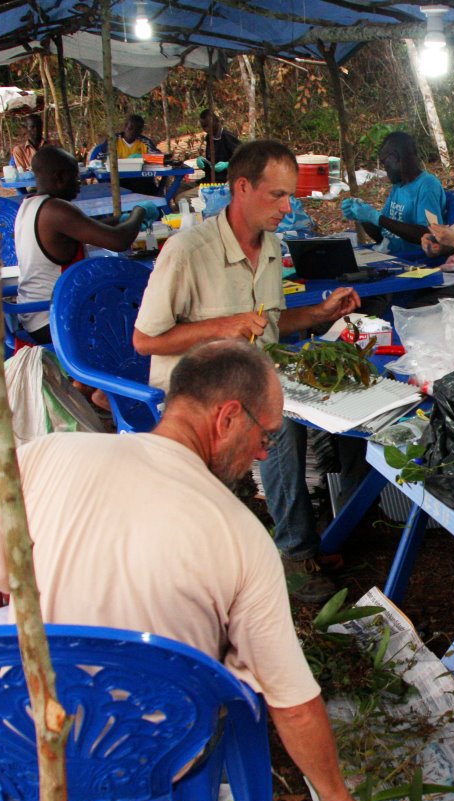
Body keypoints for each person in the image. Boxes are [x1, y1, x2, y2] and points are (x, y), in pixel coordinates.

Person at [0, 340, 367, 801]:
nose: (264, 453)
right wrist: (336, 797)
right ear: (228, 417)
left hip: (24, 741)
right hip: (156, 753)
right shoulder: (242, 537)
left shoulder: (49, 455)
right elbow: (292, 703)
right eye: (267, 435)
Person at [132, 140, 360, 602]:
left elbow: (270, 325)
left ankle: (341, 526)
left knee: (348, 400)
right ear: (241, 187)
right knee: (275, 422)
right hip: (195, 390)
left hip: (254, 374)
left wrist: (320, 314)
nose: (288, 206)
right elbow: (145, 341)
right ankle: (295, 552)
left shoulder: (272, 246)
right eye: (277, 195)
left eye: (290, 195)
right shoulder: (186, 250)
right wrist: (222, 327)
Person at [14, 145, 157, 346]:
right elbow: (119, 241)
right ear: (60, 177)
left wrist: (121, 219)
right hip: (55, 319)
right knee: (142, 310)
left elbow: (86, 229)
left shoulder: (29, 205)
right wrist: (139, 212)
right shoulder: (56, 210)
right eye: (76, 178)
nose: (79, 185)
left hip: (35, 315)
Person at [340, 131, 445, 257]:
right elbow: (382, 236)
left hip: (413, 260)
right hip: (389, 255)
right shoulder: (398, 186)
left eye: (386, 164)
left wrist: (378, 218)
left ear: (395, 158)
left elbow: (430, 235)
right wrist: (363, 217)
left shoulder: (427, 185)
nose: (386, 171)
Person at [93, 115, 161, 195]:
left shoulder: (145, 142)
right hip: (118, 180)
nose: (133, 132)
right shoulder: (113, 141)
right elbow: (98, 160)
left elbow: (159, 158)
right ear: (125, 127)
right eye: (130, 128)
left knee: (152, 191)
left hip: (140, 179)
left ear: (141, 131)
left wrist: (143, 157)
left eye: (137, 130)